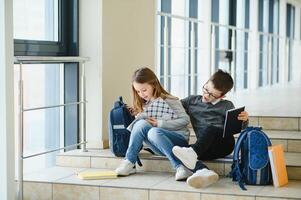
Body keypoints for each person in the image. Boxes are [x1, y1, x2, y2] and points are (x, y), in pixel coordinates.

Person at [172, 69, 249, 188]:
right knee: (178, 151)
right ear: (206, 82)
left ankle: (192, 154)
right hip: (204, 146)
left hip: (224, 144)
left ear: (222, 96)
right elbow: (174, 108)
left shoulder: (227, 105)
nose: (206, 95)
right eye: (206, 89)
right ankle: (203, 171)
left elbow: (237, 128)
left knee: (210, 129)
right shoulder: (192, 101)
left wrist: (244, 120)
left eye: (212, 94)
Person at [115, 67, 192, 181]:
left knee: (154, 131)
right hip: (158, 146)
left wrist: (160, 124)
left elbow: (185, 120)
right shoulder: (145, 104)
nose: (141, 94)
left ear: (154, 84)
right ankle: (129, 161)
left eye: (144, 90)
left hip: (178, 141)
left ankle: (180, 167)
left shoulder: (170, 100)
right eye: (138, 91)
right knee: (142, 124)